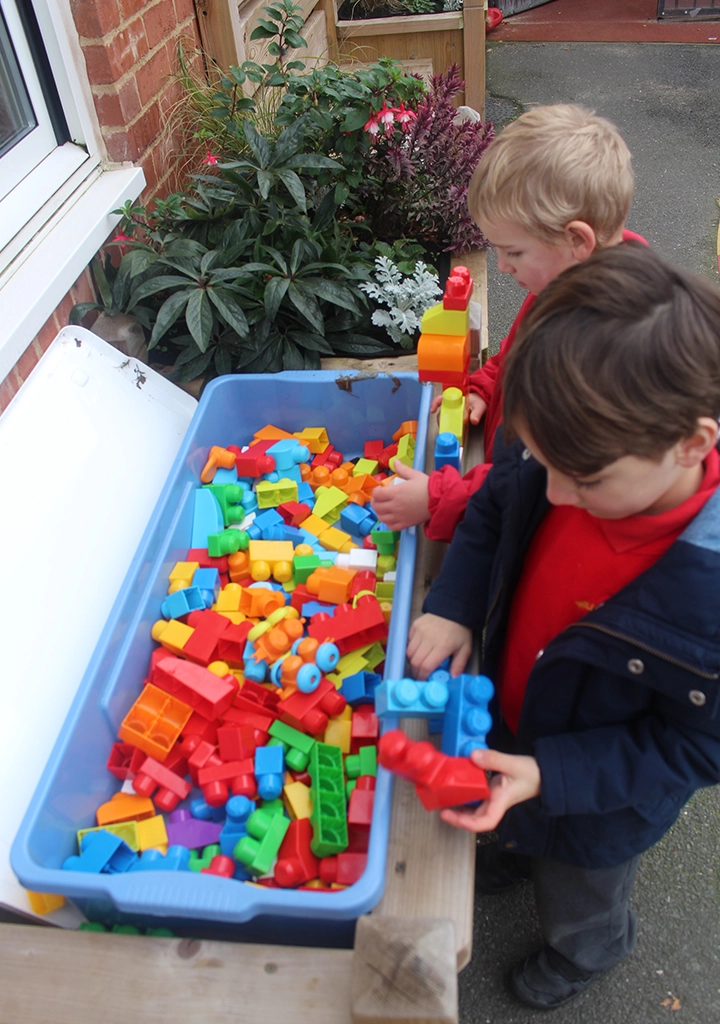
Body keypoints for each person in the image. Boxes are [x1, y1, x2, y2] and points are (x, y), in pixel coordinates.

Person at [405, 244, 720, 1010]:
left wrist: (555, 775)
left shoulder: (707, 598)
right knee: (514, 820)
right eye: (541, 461)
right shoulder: (567, 448)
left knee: (580, 886)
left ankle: (589, 950)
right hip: (515, 710)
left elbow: (694, 745)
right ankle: (517, 843)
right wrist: (451, 601)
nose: (556, 494)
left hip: (601, 795)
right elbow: (496, 506)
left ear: (692, 444)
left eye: (586, 480)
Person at [372, 103, 645, 542]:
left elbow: (531, 478)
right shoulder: (562, 284)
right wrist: (484, 386)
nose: (500, 267)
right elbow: (514, 352)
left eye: (514, 252)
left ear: (577, 241)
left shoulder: (596, 356)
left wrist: (438, 497)